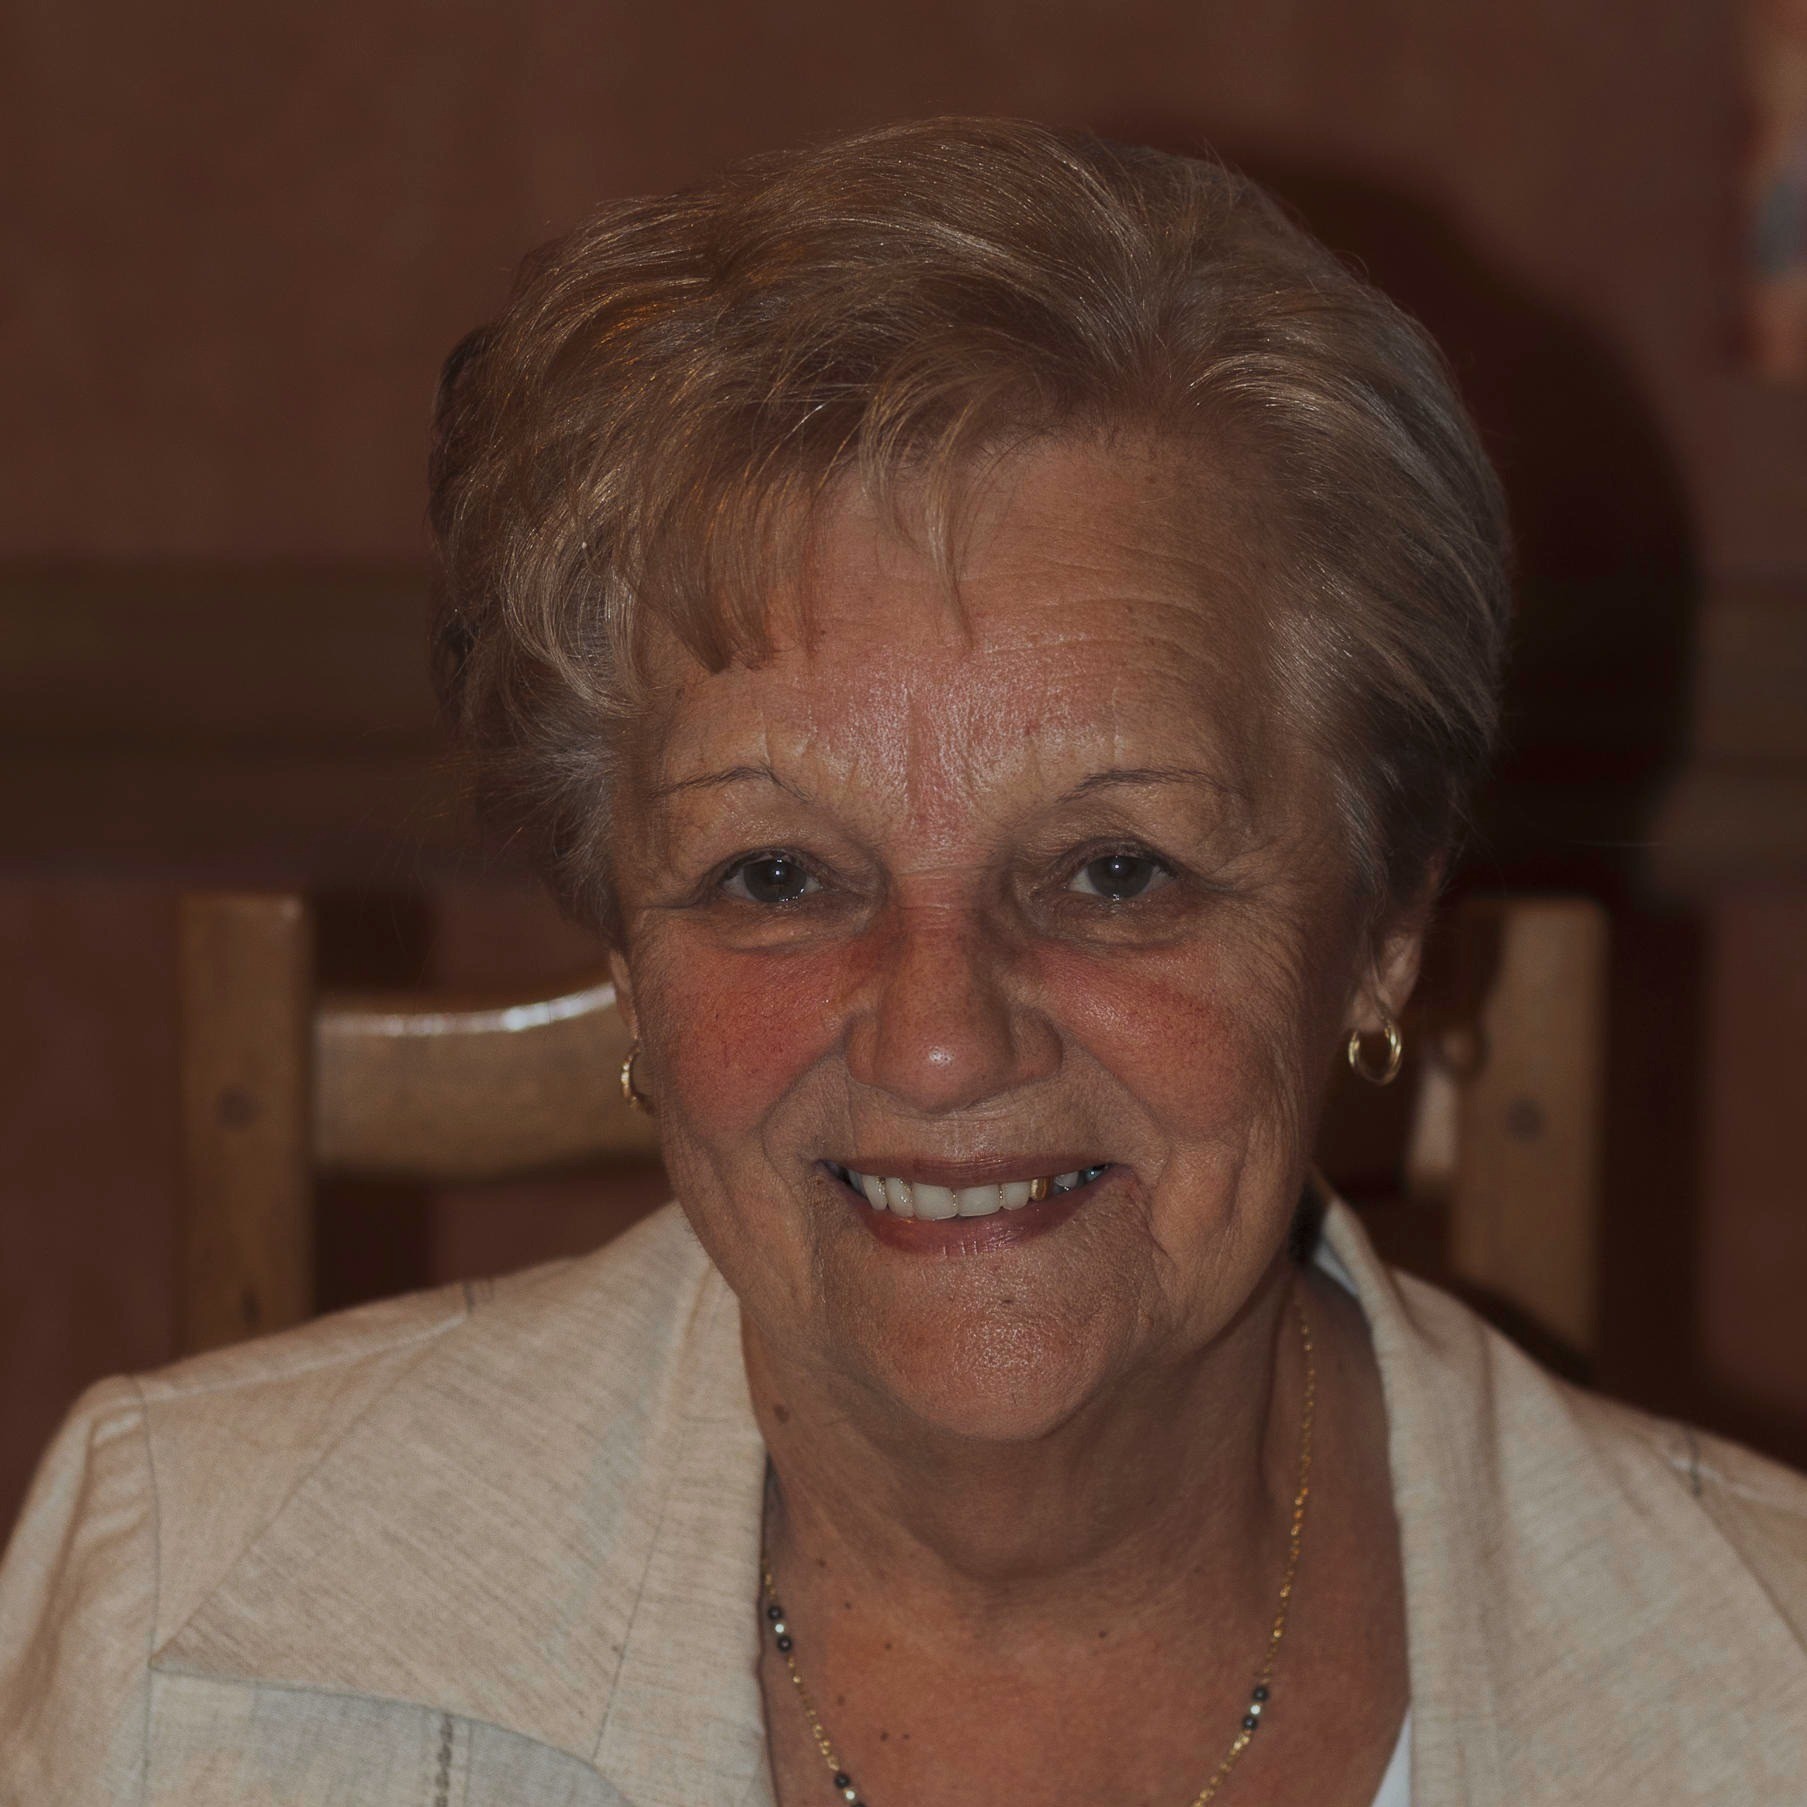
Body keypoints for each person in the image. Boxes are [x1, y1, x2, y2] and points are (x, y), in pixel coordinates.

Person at [3, 117, 1803, 1806]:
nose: (940, 1044)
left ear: (1385, 934)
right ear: (628, 953)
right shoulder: (193, 1635)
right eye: (779, 875)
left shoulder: (1762, 1688)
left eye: (1114, 872)